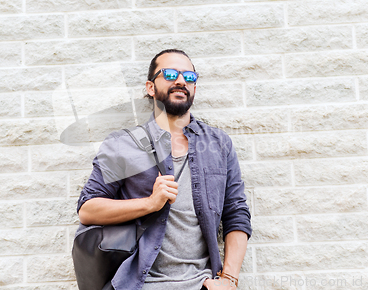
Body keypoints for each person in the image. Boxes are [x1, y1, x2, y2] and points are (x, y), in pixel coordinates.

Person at [77, 49, 252, 290]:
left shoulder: (219, 145)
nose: (181, 81)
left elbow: (236, 213)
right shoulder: (122, 144)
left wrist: (229, 280)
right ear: (150, 87)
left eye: (189, 76)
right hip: (140, 285)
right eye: (170, 74)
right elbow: (87, 209)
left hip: (202, 284)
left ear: (194, 88)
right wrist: (150, 203)